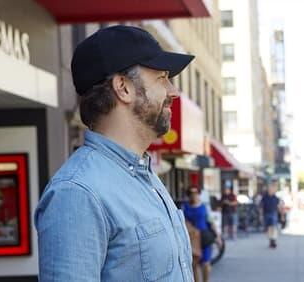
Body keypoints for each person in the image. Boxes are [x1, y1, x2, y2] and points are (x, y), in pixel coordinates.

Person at [34, 25, 195, 281]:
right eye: (162, 78)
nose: (173, 92)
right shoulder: (77, 193)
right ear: (123, 87)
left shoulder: (146, 178)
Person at [183, 187, 219, 282]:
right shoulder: (185, 207)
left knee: (206, 263)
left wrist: (217, 236)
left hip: (204, 237)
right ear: (188, 195)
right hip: (193, 239)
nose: (194, 194)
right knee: (195, 264)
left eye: (196, 192)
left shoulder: (204, 206)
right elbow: (183, 221)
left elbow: (210, 220)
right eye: (191, 193)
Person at [260, 183, 282, 248]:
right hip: (266, 213)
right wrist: (260, 215)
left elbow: (279, 206)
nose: (271, 190)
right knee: (268, 228)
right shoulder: (264, 197)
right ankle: (271, 240)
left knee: (273, 227)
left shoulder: (276, 197)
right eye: (270, 189)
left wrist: (282, 214)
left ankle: (273, 240)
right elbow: (261, 206)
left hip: (273, 213)